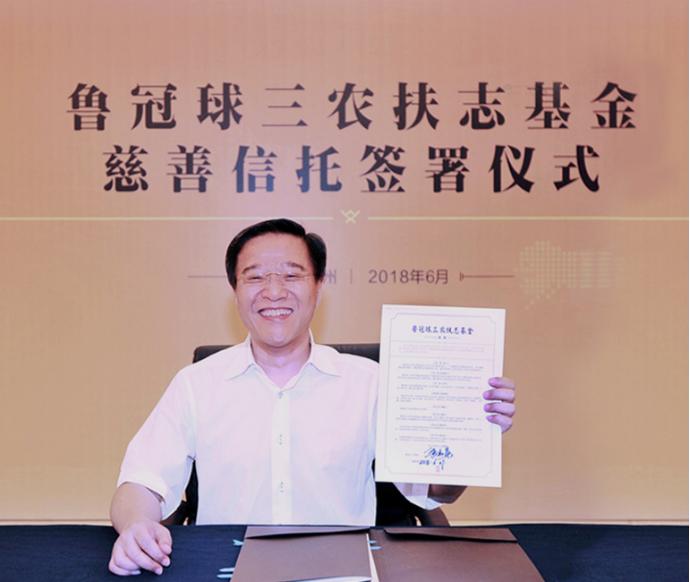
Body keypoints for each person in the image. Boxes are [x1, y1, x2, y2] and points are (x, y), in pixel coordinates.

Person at [108, 219, 516, 576]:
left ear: (318, 285)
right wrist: (137, 526)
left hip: (344, 571)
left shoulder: (371, 383)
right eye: (254, 277)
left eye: (292, 275)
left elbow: (435, 490)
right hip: (226, 568)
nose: (273, 291)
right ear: (235, 290)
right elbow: (142, 481)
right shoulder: (196, 384)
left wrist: (468, 434)